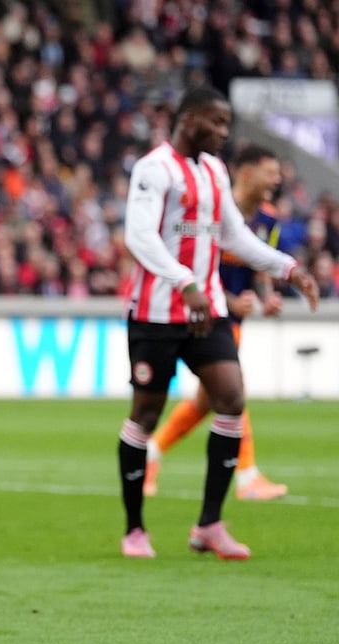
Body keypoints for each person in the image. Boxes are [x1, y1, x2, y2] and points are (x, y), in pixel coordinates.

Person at [115, 87, 318, 561]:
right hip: (157, 313)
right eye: (217, 123)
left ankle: (209, 524)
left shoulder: (214, 171)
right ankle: (134, 529)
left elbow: (234, 236)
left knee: (230, 398)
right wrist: (185, 282)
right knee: (144, 415)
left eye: (227, 125)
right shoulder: (154, 168)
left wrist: (288, 268)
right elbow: (139, 236)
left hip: (207, 313)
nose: (224, 133)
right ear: (189, 120)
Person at [144, 144, 289, 501]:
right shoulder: (212, 211)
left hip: (233, 317)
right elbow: (196, 262)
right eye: (270, 172)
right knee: (231, 389)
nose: (277, 179)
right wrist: (224, 298)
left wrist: (266, 296)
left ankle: (152, 451)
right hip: (201, 312)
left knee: (210, 399)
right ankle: (248, 475)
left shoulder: (268, 221)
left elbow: (260, 266)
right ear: (247, 172)